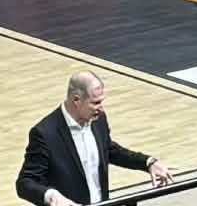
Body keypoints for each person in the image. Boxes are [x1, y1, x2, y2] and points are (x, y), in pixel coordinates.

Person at [16, 68, 170, 204]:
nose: (100, 108)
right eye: (95, 103)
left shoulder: (98, 119)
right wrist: (50, 195)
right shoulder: (45, 133)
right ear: (76, 100)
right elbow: (25, 183)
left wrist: (148, 162)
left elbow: (109, 150)